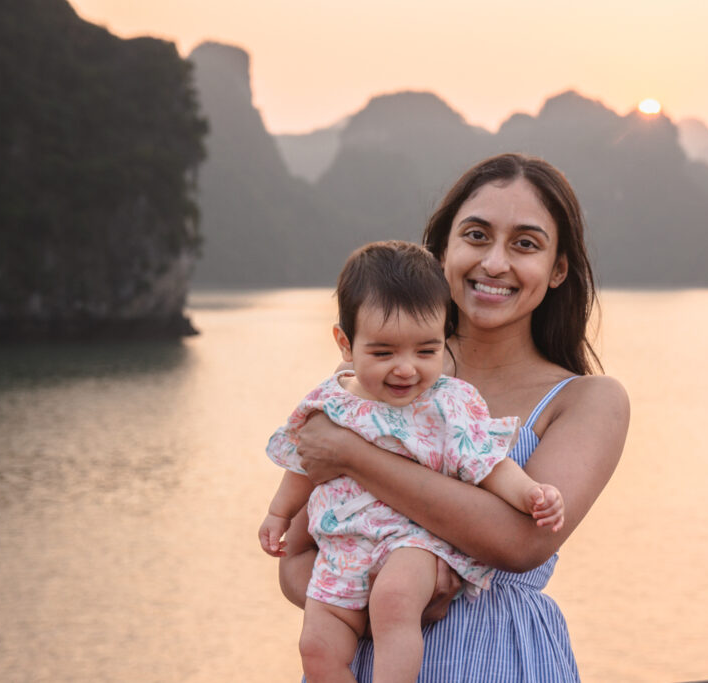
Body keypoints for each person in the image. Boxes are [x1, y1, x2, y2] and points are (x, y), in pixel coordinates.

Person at [279, 153, 630, 682]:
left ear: (559, 269)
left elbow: (520, 543)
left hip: (500, 660)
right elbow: (296, 557)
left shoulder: (585, 400)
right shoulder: (375, 383)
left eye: (526, 244)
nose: (494, 263)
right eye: (476, 235)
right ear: (443, 250)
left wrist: (353, 454)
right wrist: (381, 596)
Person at [259, 240, 567, 683]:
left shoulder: (447, 405)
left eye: (426, 352)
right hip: (343, 546)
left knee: (394, 601)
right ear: (346, 344)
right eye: (383, 353)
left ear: (443, 337)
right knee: (316, 646)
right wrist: (278, 513)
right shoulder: (329, 402)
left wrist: (532, 495)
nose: (406, 369)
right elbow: (303, 464)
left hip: (412, 544)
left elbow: (488, 464)